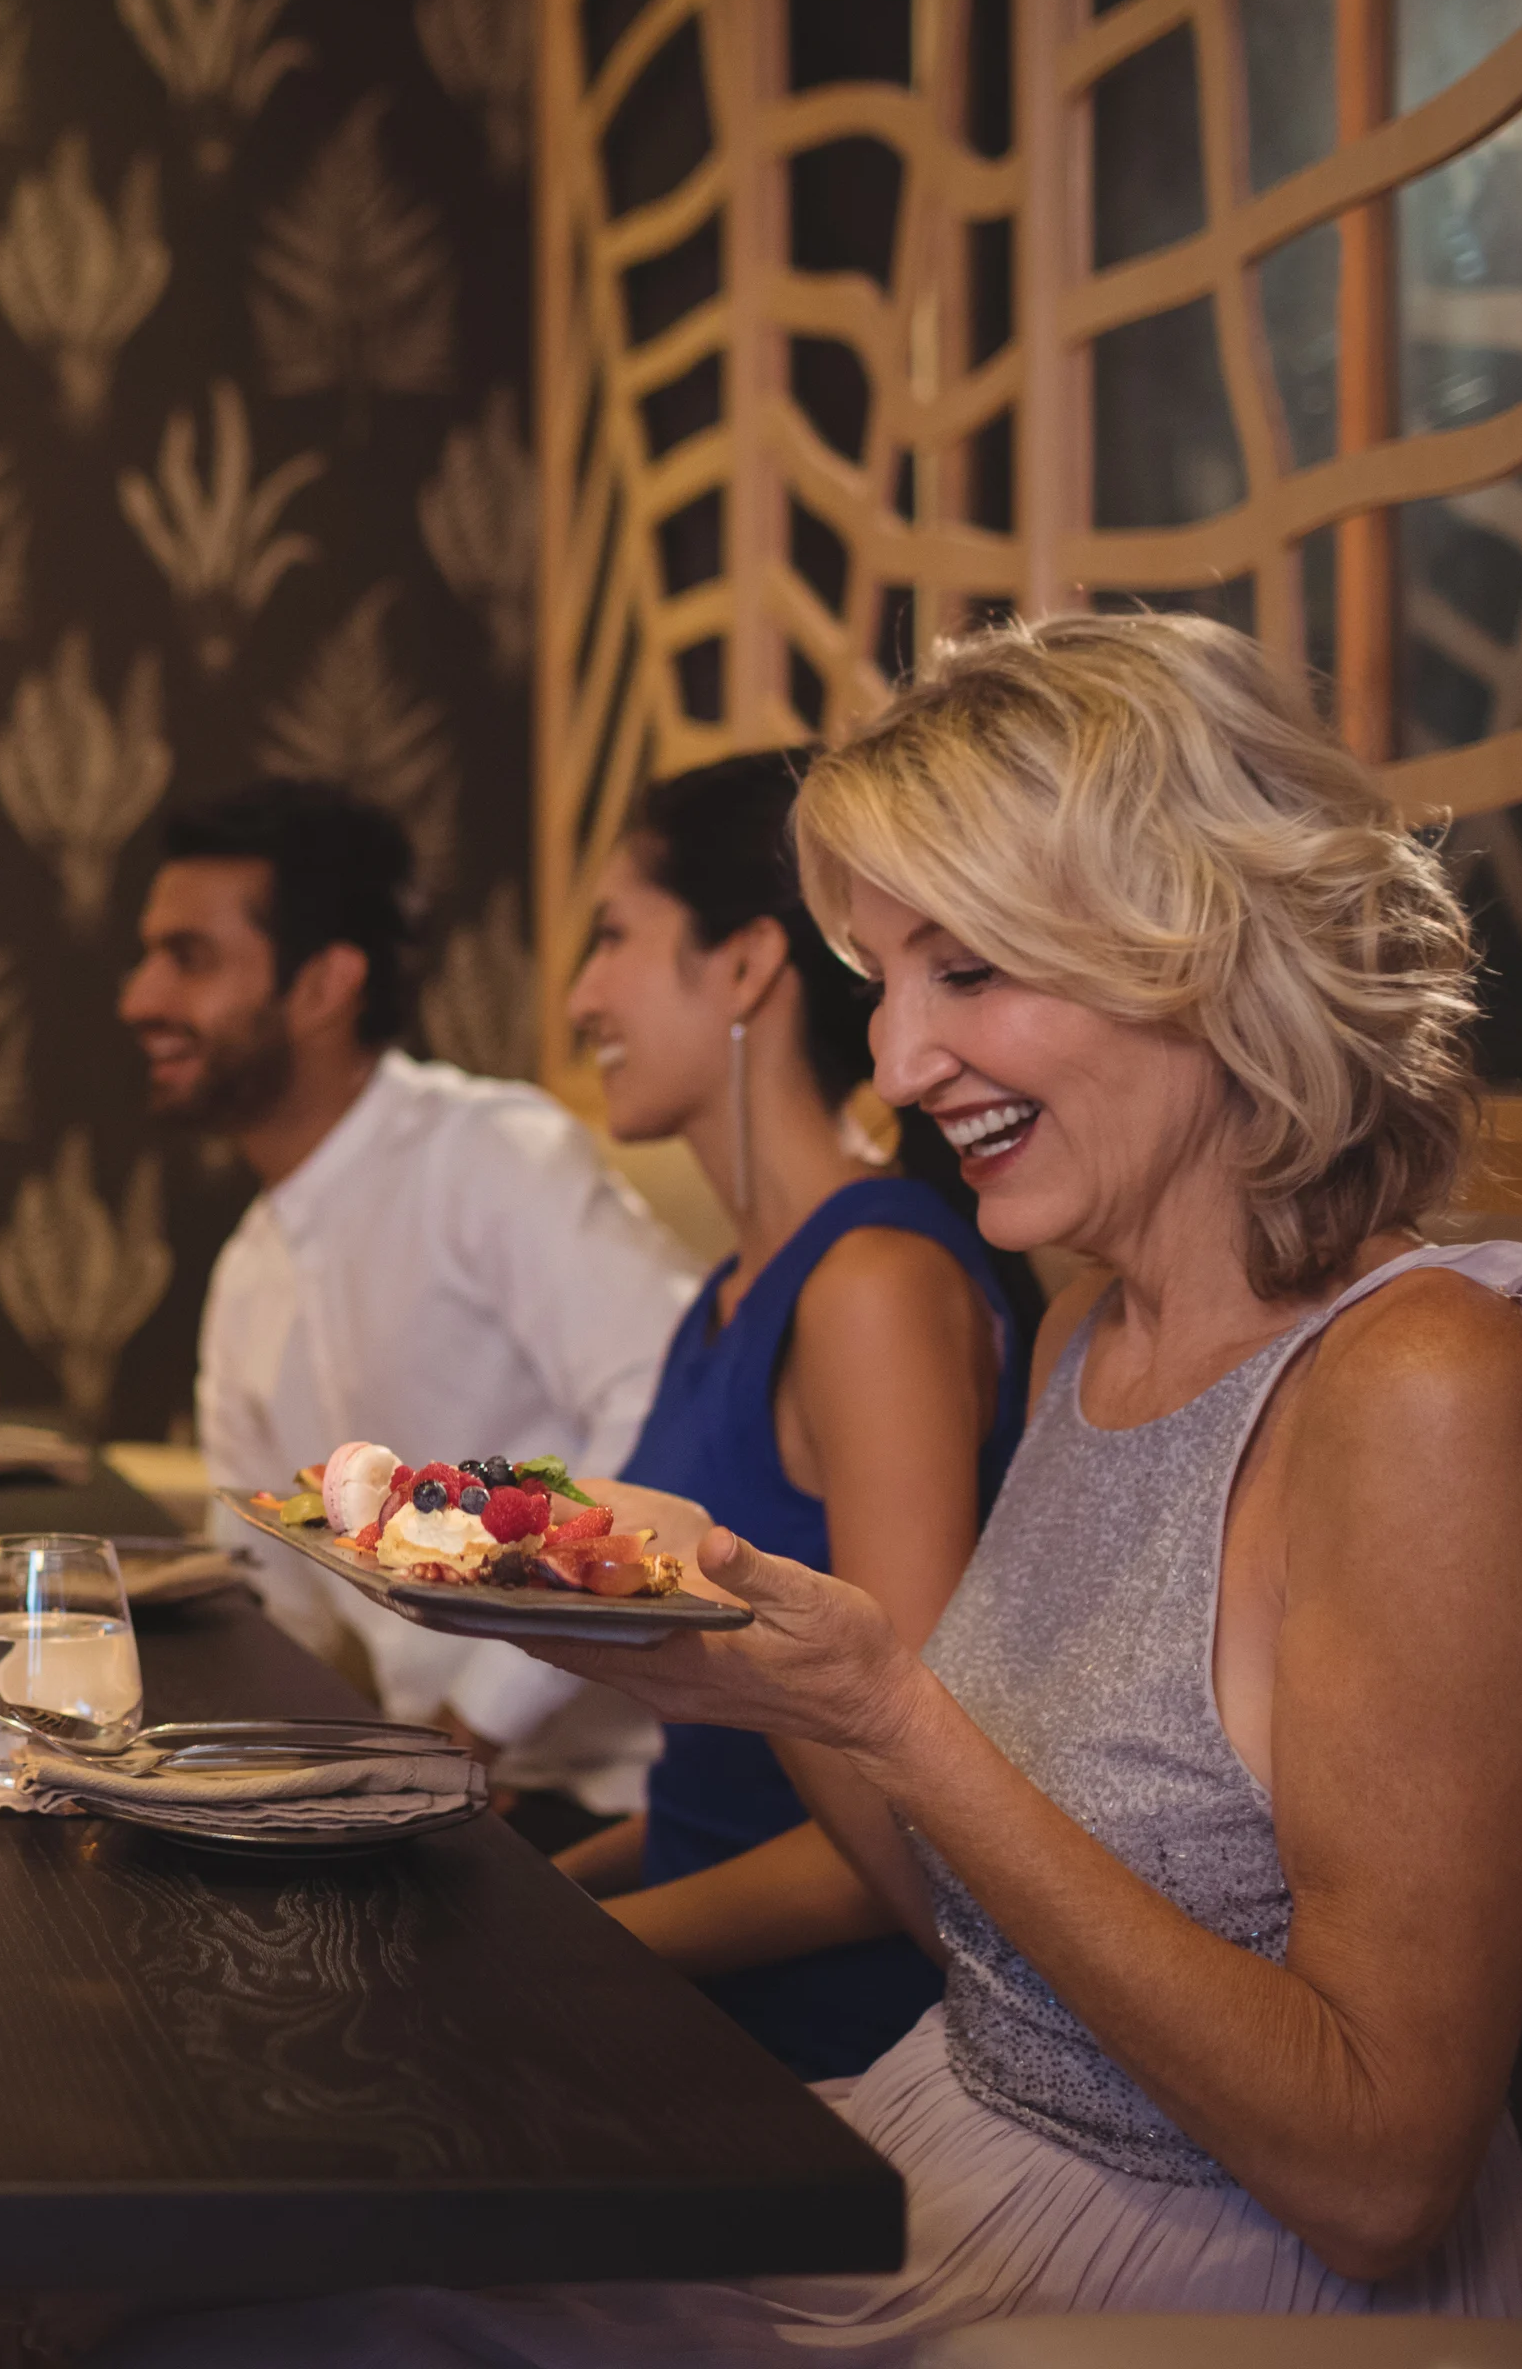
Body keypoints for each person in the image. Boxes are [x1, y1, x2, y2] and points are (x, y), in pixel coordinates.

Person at [96, 614, 1522, 2363]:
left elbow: (1375, 2175)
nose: (897, 1063)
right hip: (928, 2154)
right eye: (884, 982)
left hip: (1205, 2298)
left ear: (1194, 946)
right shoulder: (1084, 1331)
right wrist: (745, 1667)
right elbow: (978, 1949)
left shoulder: (1430, 1385)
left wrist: (892, 1717)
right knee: (187, 2288)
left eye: (965, 974)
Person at [552, 750, 1031, 2081]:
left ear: (749, 962)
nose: (581, 993)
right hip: (696, 1997)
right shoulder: (730, 1291)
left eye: (612, 939)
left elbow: (913, 1806)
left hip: (821, 2051)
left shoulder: (870, 1283)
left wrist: (587, 1952)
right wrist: (529, 1885)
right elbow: (713, 1800)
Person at [126, 778, 698, 1830]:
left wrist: (476, 1723)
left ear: (324, 983)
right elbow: (266, 1584)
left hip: (631, 1795)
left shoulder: (487, 1155)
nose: (140, 998)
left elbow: (672, 1405)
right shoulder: (253, 1265)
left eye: (190, 958)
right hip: (457, 1792)